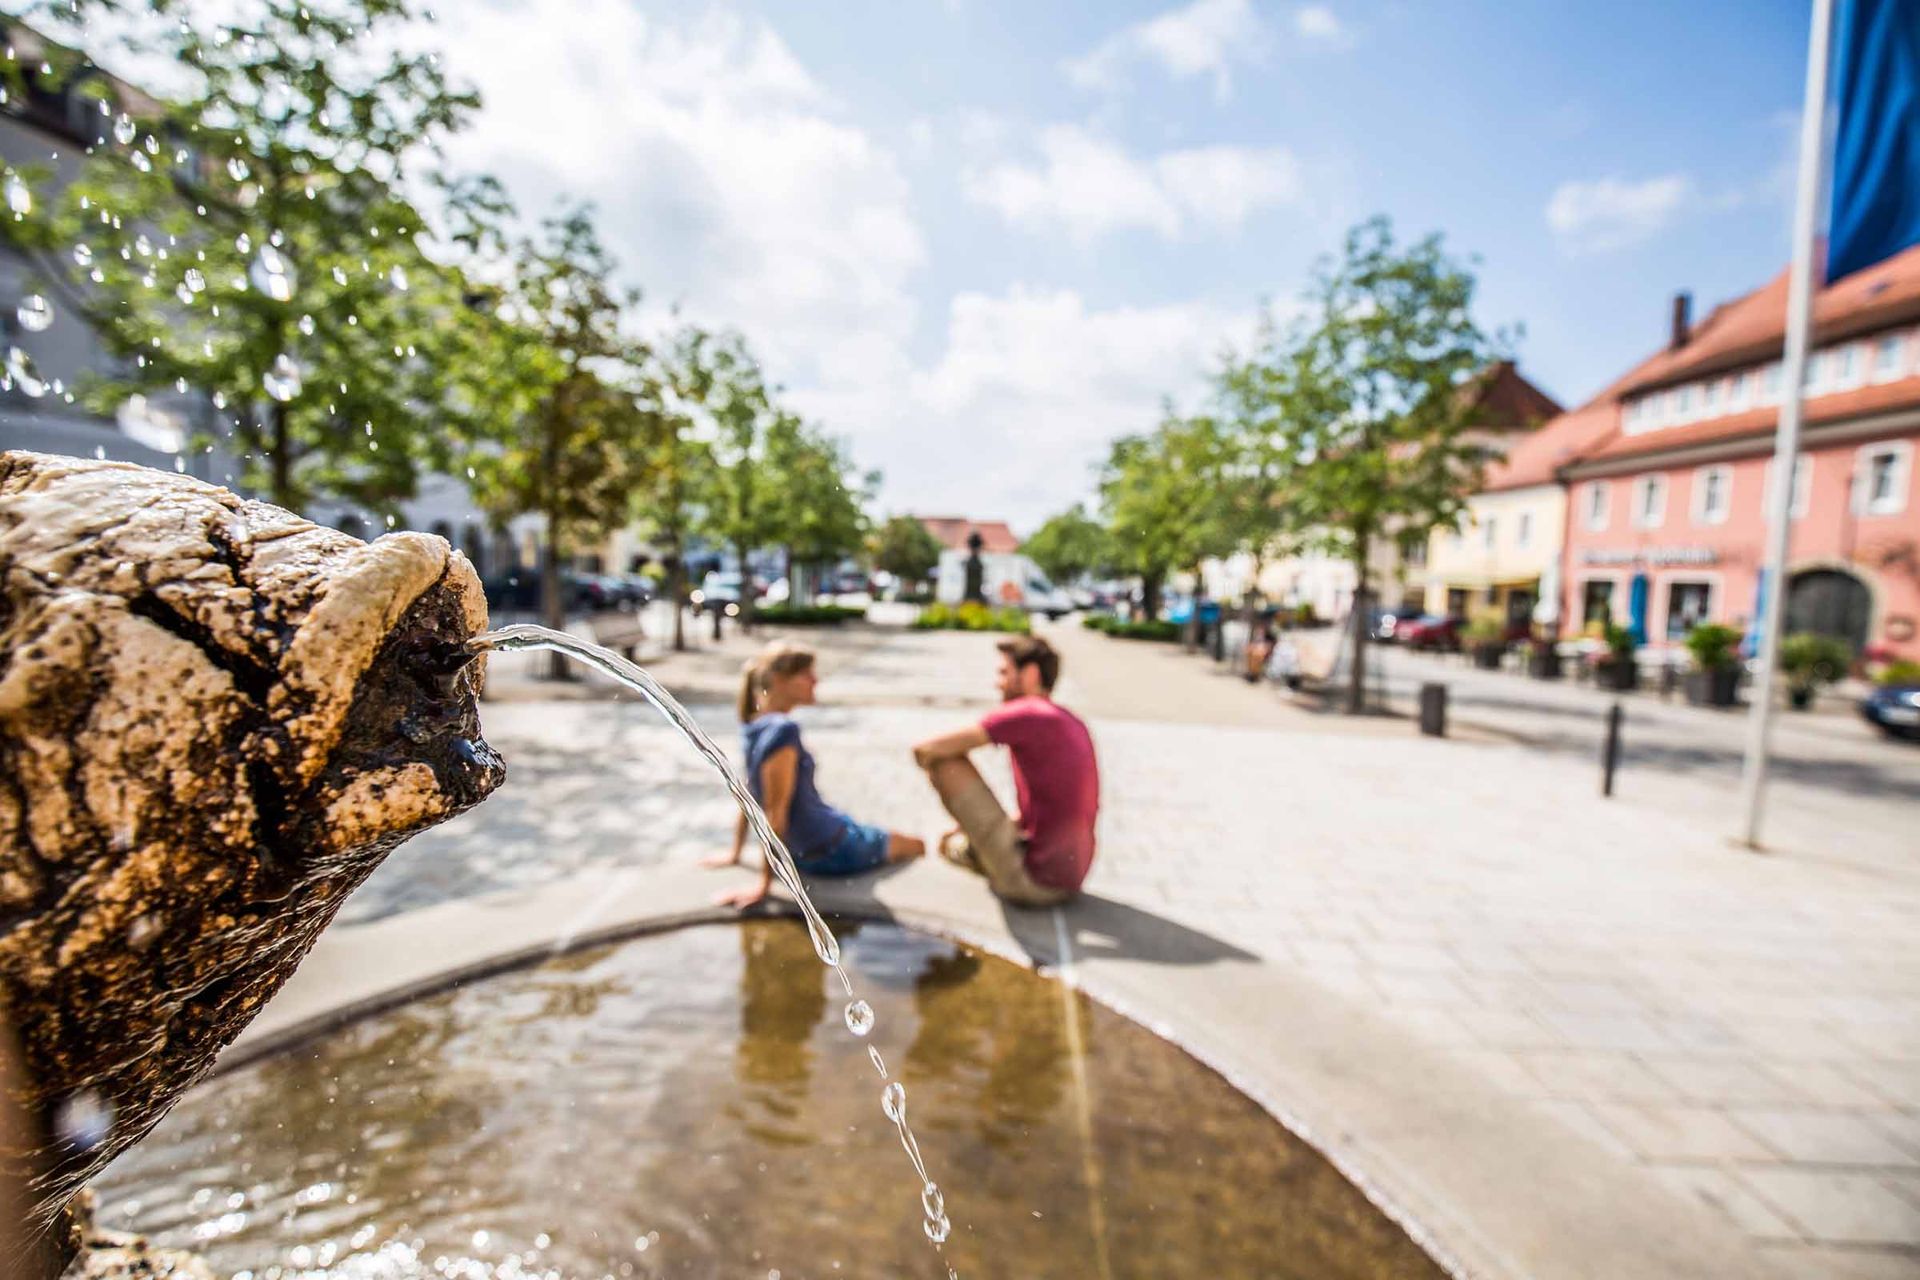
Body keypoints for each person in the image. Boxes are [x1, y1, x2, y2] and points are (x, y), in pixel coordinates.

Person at [707, 643, 924, 908]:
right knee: (917, 846)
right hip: (830, 848)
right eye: (806, 674)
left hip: (817, 839)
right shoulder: (783, 731)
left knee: (860, 826)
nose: (815, 680)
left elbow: (748, 794)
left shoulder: (754, 725)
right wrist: (764, 886)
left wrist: (735, 853)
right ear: (779, 680)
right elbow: (775, 812)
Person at [912, 635, 1099, 907]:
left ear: (1030, 674)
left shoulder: (1027, 711)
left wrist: (964, 824)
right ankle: (969, 846)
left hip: (1034, 884)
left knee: (944, 762)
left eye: (1004, 673)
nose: (997, 683)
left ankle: (963, 849)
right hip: (1070, 879)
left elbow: (926, 750)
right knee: (964, 831)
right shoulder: (1069, 719)